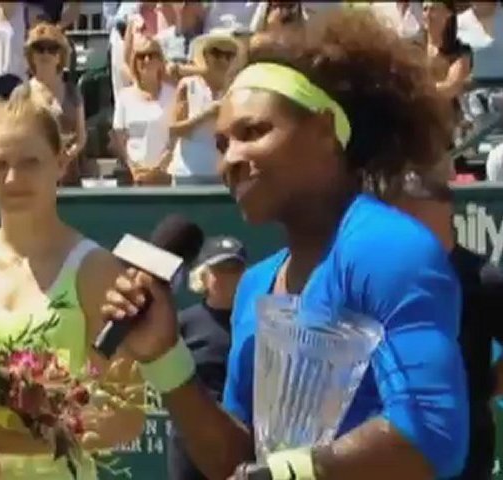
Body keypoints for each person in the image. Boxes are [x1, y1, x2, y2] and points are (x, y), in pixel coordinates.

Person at [101, 9, 468, 480]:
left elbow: (433, 434)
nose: (231, 159)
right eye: (221, 144)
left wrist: (290, 471)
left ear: (323, 131)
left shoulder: (387, 248)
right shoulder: (255, 286)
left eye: (253, 132)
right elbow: (236, 461)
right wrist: (164, 355)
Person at [0, 87, 144, 479]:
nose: (13, 178)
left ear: (60, 162)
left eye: (30, 163)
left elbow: (126, 414)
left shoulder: (95, 269)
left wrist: (15, 441)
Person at [392, 169, 503, 480]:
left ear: (445, 211)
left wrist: (482, 389)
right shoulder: (386, 274)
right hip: (397, 440)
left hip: (468, 447)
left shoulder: (482, 278)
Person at [168, 236, 247, 480]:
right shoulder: (182, 323)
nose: (228, 277)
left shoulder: (256, 322)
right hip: (190, 443)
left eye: (235, 270)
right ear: (202, 276)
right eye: (219, 270)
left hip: (241, 441)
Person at [167, 30, 243, 186]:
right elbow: (174, 130)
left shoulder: (237, 89)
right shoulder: (188, 85)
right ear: (205, 55)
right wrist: (207, 114)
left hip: (223, 174)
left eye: (228, 55)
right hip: (188, 173)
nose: (223, 60)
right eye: (216, 53)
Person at [17, 22, 87, 185]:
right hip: (34, 176)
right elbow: (17, 135)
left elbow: (81, 136)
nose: (45, 54)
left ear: (60, 56)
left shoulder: (72, 92)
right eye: (39, 48)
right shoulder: (22, 93)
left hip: (68, 175)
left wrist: (67, 156)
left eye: (52, 48)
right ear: (31, 55)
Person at [112, 37, 175, 186]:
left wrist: (159, 168)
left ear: (160, 61)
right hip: (133, 176)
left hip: (165, 174)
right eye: (141, 56)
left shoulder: (173, 94)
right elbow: (119, 137)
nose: (146, 60)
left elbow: (177, 137)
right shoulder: (124, 96)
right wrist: (133, 168)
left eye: (152, 55)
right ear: (134, 62)